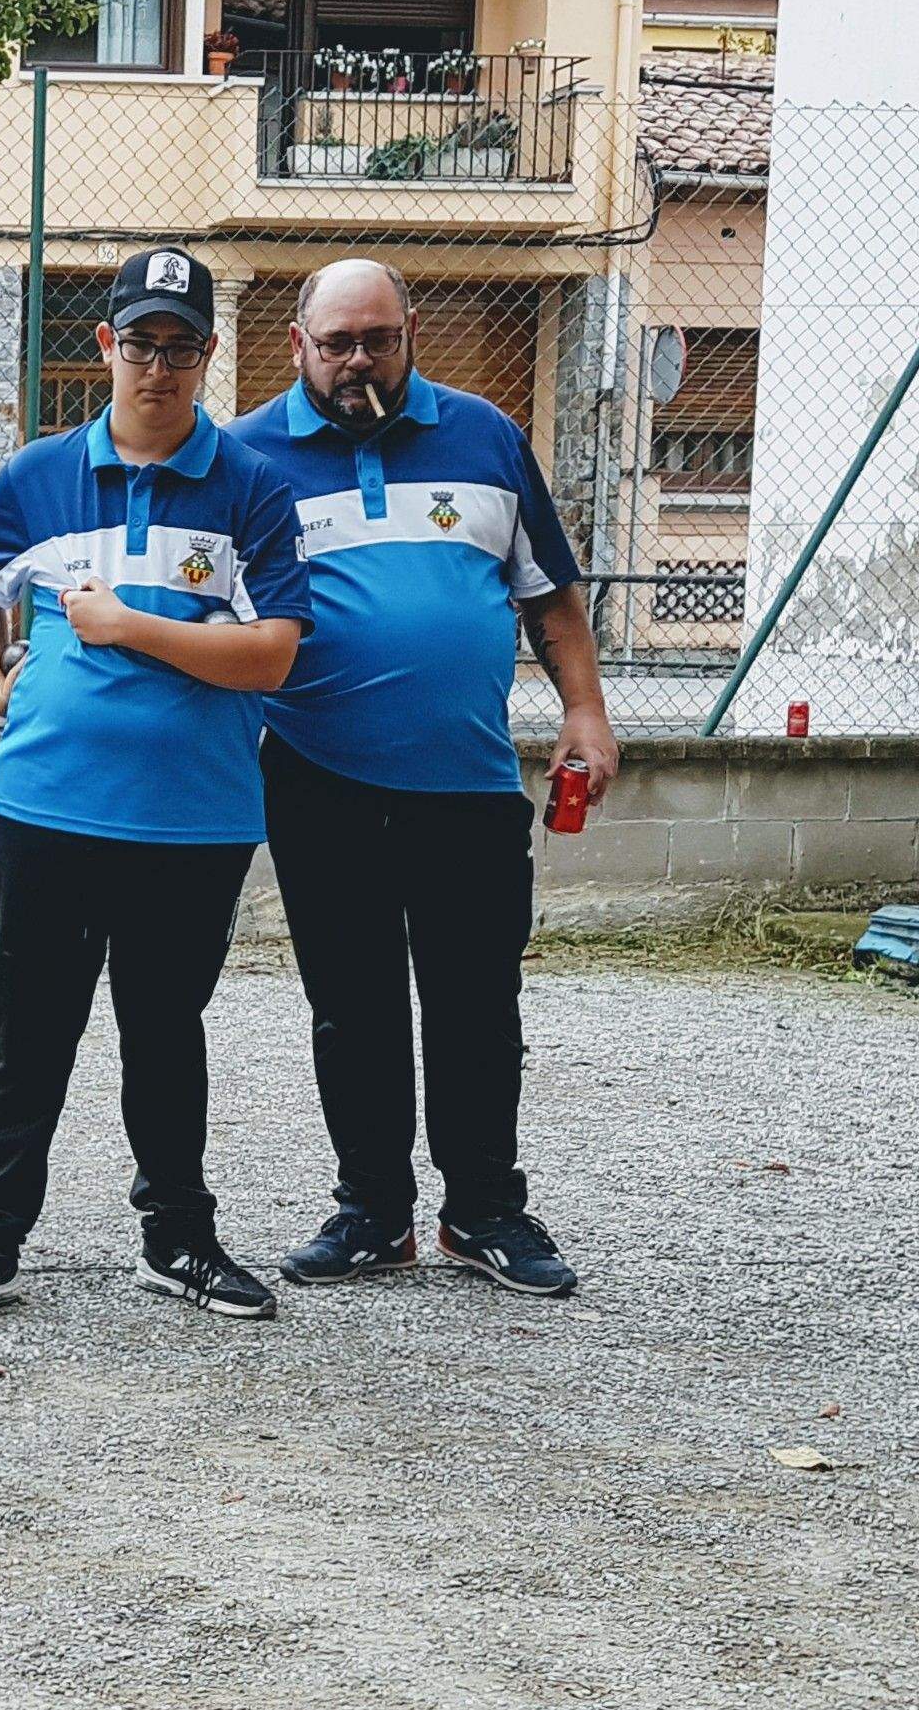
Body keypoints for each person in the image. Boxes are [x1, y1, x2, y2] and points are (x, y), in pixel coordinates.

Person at [0, 247, 313, 1329]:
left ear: (210, 357)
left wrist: (128, 626)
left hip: (192, 820)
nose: (159, 369)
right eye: (140, 344)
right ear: (106, 348)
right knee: (25, 1036)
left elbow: (273, 654)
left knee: (164, 1033)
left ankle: (175, 1238)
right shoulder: (37, 475)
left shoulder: (253, 489)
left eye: (181, 349)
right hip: (43, 809)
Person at [229, 258, 618, 1298]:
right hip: (318, 776)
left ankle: (484, 1210)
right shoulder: (247, 460)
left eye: (379, 339)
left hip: (470, 782)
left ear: (411, 336)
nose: (358, 360)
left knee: (477, 1005)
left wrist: (584, 710)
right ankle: (373, 1212)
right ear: (296, 346)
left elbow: (550, 596)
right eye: (336, 342)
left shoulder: (486, 438)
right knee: (349, 1005)